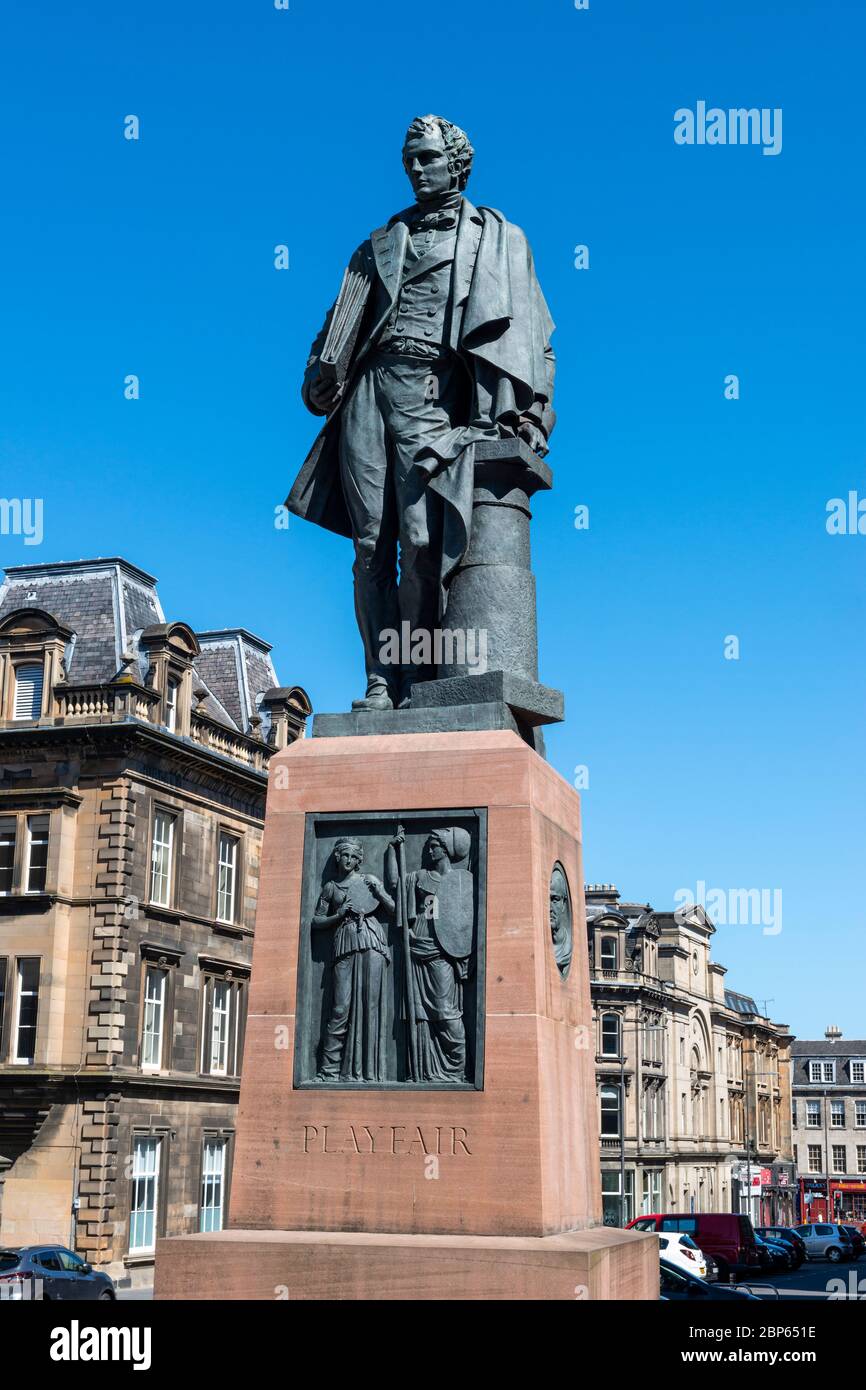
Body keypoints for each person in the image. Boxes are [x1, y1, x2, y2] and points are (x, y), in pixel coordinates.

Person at [287, 115, 556, 709]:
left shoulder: (492, 238)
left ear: (457, 163)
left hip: (431, 393)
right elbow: (331, 335)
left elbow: (533, 336)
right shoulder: (378, 244)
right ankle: (383, 678)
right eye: (409, 159)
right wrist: (320, 376)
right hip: (368, 391)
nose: (416, 168)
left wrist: (533, 411)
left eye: (428, 158)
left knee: (420, 538)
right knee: (368, 545)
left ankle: (423, 671)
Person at [388, 825, 474, 1081]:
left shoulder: (460, 881)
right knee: (422, 1016)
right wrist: (393, 849)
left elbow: (463, 924)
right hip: (417, 946)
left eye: (434, 845)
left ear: (446, 850)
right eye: (428, 845)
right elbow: (395, 884)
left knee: (444, 1011)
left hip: (442, 952)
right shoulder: (419, 877)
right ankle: (426, 1073)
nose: (429, 848)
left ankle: (457, 1067)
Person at [312, 836, 394, 1081]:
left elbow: (395, 909)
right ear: (338, 856)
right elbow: (316, 922)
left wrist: (379, 892)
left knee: (369, 1007)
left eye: (353, 856)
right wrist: (338, 915)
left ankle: (369, 1072)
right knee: (340, 1008)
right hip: (345, 942)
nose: (349, 860)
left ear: (359, 860)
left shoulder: (368, 882)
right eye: (345, 855)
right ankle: (329, 1070)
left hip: (371, 941)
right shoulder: (331, 887)